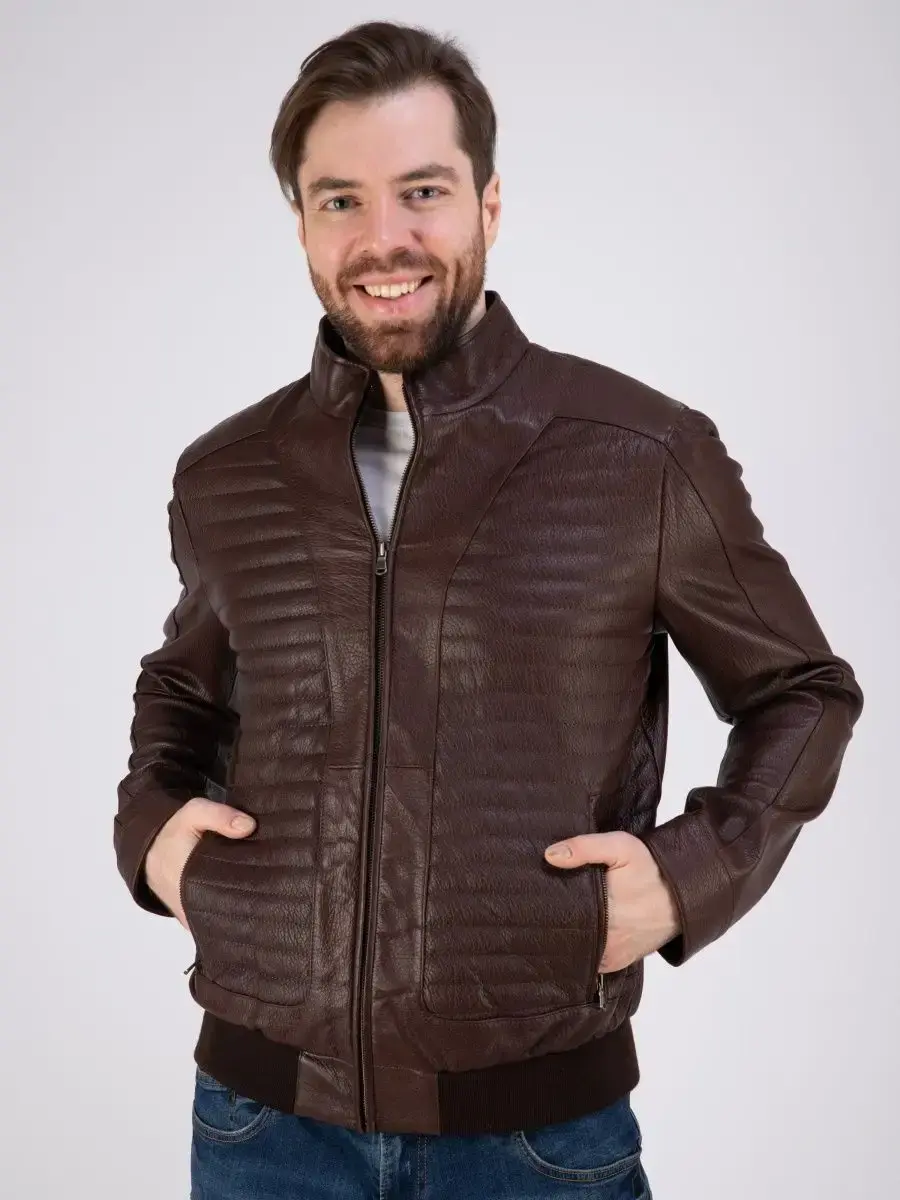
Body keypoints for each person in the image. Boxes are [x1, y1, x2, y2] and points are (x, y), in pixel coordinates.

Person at [113, 19, 864, 1200]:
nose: (384, 238)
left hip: (536, 1141)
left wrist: (689, 875)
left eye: (423, 191)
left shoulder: (639, 453)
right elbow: (184, 684)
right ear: (302, 222)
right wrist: (151, 828)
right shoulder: (229, 473)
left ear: (490, 204)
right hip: (261, 1128)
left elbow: (804, 692)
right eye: (341, 200)